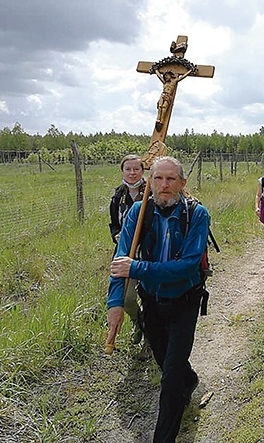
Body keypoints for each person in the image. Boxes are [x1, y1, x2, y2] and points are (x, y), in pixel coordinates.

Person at [106, 156, 210, 442]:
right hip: (151, 301)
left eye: (171, 179)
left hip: (184, 301)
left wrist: (138, 268)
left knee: (170, 379)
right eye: (158, 179)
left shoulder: (197, 214)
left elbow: (188, 265)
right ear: (149, 182)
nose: (164, 185)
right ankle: (189, 381)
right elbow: (120, 261)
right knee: (167, 364)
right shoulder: (139, 214)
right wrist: (115, 304)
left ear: (182, 183)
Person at [109, 154, 147, 347]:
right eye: (128, 169)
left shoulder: (151, 190)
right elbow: (114, 224)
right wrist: (117, 235)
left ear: (143, 170)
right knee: (127, 298)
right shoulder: (118, 196)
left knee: (150, 297)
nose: (132, 173)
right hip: (126, 255)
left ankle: (151, 336)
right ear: (122, 171)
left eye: (136, 169)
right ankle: (139, 323)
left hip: (148, 254)